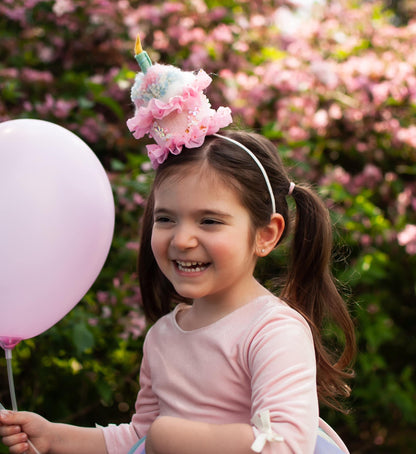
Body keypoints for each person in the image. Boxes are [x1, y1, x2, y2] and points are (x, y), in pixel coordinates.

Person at [0, 36, 356, 454]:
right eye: (166, 219)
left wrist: (173, 438)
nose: (182, 239)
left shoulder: (271, 332)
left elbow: (285, 445)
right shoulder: (164, 335)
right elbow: (137, 438)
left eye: (209, 221)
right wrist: (55, 436)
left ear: (266, 234)